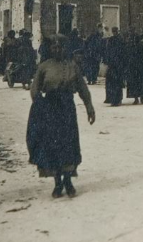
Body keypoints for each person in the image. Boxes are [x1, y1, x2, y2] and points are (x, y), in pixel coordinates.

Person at [27, 34, 97, 199]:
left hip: (67, 109)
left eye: (60, 47)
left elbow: (83, 89)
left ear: (65, 48)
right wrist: (39, 106)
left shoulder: (73, 66)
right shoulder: (44, 67)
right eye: (54, 47)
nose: (57, 50)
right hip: (50, 110)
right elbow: (34, 89)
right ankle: (58, 182)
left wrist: (89, 107)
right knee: (53, 146)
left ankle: (68, 181)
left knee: (68, 145)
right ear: (50, 48)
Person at [103, 27, 126, 106]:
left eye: (115, 31)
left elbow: (122, 52)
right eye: (113, 31)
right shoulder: (112, 40)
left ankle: (117, 99)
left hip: (117, 65)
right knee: (113, 82)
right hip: (113, 64)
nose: (114, 32)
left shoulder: (119, 40)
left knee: (116, 83)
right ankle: (113, 99)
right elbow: (107, 51)